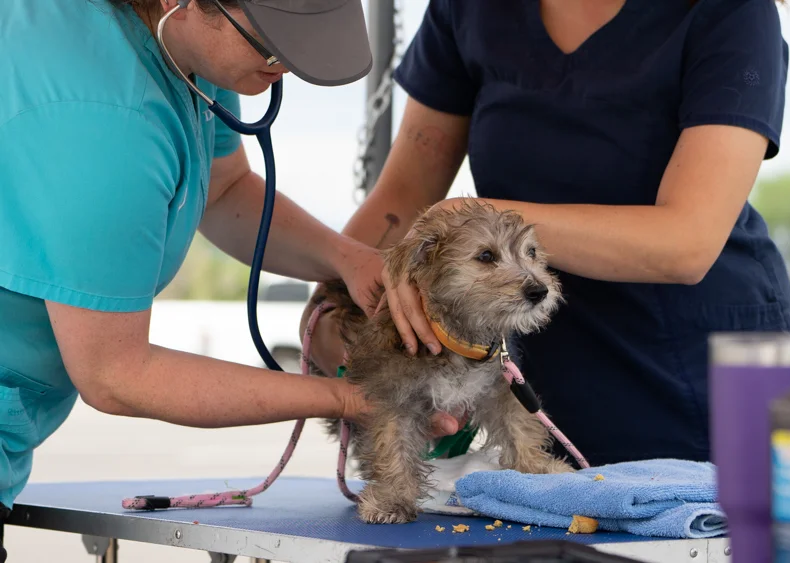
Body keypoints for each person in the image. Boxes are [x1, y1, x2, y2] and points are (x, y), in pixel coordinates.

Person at [0, 1, 459, 557]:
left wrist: (352, 258)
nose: (283, 64)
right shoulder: (102, 121)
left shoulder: (192, 50)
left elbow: (224, 189)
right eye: (270, 42)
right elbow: (117, 374)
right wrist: (347, 398)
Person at [303, 0, 790, 468]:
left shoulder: (734, 13)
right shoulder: (469, 9)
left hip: (702, 371)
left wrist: (477, 214)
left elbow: (687, 243)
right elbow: (404, 194)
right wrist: (333, 303)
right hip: (550, 371)